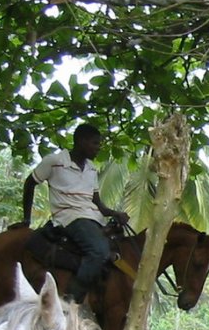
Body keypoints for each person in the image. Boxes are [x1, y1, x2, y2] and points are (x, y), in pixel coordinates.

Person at [20, 123, 129, 303]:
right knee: (99, 252)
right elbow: (30, 183)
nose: (98, 148)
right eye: (95, 143)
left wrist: (115, 213)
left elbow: (97, 202)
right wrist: (26, 219)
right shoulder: (54, 161)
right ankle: (70, 301)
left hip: (93, 217)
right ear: (81, 141)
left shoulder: (92, 169)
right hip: (70, 217)